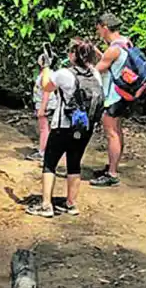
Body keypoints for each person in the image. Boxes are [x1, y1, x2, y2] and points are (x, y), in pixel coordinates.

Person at [26, 39, 103, 218]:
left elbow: (46, 86)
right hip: (85, 127)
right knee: (74, 164)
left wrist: (46, 66)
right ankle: (71, 204)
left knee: (49, 163)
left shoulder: (64, 74)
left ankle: (46, 205)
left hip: (63, 126)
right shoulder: (95, 74)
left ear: (73, 55)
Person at [91, 13, 131, 187]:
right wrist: (99, 53)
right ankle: (113, 166)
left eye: (99, 28)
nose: (98, 32)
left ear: (105, 27)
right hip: (122, 94)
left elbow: (96, 71)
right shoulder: (125, 42)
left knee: (111, 133)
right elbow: (113, 64)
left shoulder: (113, 49)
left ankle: (112, 174)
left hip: (113, 97)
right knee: (117, 130)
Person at [27, 59, 58, 163]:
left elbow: (46, 92)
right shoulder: (50, 72)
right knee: (48, 128)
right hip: (49, 103)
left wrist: (42, 108)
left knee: (44, 129)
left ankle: (43, 152)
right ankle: (47, 150)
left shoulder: (46, 74)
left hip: (45, 104)